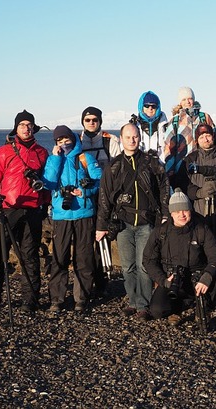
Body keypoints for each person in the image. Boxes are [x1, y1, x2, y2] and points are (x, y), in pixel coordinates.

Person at [0, 110, 50, 313]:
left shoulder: (42, 153)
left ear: (34, 127)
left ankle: (30, 299)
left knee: (30, 255)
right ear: (16, 128)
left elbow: (47, 181)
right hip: (7, 209)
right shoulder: (4, 151)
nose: (26, 128)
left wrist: (45, 204)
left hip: (32, 209)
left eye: (29, 124)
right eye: (22, 125)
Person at [96, 123, 170, 320]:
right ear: (121, 139)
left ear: (140, 138)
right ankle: (133, 301)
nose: (132, 140)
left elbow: (164, 187)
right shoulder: (114, 166)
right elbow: (104, 196)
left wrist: (165, 214)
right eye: (128, 137)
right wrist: (101, 226)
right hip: (123, 223)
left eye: (135, 136)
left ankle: (143, 305)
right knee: (128, 266)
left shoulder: (151, 162)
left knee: (144, 265)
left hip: (147, 222)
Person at [42, 125, 103, 312]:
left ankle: (81, 298)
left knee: (83, 257)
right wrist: (55, 158)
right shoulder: (54, 159)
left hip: (84, 214)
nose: (63, 143)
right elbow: (49, 183)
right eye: (59, 141)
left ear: (73, 138)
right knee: (59, 258)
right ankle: (56, 300)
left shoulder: (85, 158)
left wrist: (83, 191)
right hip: (61, 215)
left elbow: (100, 181)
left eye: (66, 139)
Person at [143, 189, 216, 325]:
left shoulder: (201, 228)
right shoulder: (161, 231)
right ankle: (178, 308)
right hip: (171, 279)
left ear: (190, 210)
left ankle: (203, 309)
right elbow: (148, 260)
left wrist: (207, 276)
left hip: (197, 278)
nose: (182, 214)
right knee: (157, 310)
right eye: (177, 211)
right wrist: (163, 280)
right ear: (171, 213)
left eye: (185, 210)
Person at [79, 106, 120, 299]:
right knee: (87, 239)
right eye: (87, 120)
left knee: (104, 235)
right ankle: (90, 281)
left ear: (100, 121)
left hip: (105, 195)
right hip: (84, 196)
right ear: (82, 122)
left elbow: (119, 167)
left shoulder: (110, 140)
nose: (91, 123)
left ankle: (103, 281)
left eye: (95, 119)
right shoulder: (76, 142)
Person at [174, 123, 216, 241]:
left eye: (208, 135)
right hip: (196, 214)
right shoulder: (189, 160)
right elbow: (182, 184)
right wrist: (198, 192)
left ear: (213, 136)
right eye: (201, 137)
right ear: (197, 140)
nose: (205, 139)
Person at [163, 87, 216, 186]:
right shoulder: (175, 121)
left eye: (190, 98)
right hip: (182, 169)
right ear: (180, 102)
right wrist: (170, 173)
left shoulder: (204, 117)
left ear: (194, 99)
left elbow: (215, 140)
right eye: (184, 99)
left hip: (204, 167)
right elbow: (169, 149)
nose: (187, 102)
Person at [132, 90, 169, 159]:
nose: (150, 108)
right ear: (141, 107)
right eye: (146, 105)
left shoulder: (166, 126)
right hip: (139, 166)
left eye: (153, 106)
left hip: (161, 166)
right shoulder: (134, 126)